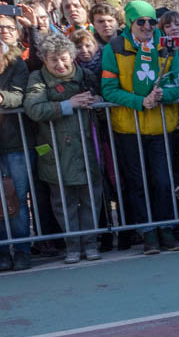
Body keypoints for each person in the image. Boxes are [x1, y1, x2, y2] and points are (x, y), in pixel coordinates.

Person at [100, 0, 179, 254]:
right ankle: (148, 232)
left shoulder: (167, 46)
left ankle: (167, 229)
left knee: (162, 181)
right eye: (141, 22)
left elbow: (177, 84)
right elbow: (108, 90)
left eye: (151, 21)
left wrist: (163, 96)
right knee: (138, 183)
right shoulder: (114, 48)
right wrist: (139, 101)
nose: (148, 26)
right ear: (130, 23)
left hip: (161, 127)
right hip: (129, 128)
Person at [22, 33, 103, 263]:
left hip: (88, 147)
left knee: (91, 199)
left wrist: (98, 103)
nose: (60, 64)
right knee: (63, 202)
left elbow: (103, 101)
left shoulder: (86, 76)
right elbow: (34, 108)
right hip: (54, 152)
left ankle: (90, 243)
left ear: (73, 56)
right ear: (44, 60)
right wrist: (68, 105)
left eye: (64, 58)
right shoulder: (37, 78)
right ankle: (72, 246)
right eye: (53, 60)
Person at [0, 15, 31, 270]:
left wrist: (1, 98)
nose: (2, 32)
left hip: (14, 142)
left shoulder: (17, 63)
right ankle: (2, 251)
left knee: (17, 198)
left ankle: (22, 249)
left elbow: (19, 96)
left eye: (7, 27)